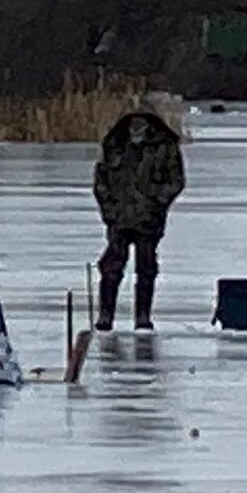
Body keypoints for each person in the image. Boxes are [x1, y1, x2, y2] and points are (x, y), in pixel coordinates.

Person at [92, 108, 186, 332]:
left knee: (146, 268)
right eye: (133, 121)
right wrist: (108, 209)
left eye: (141, 121)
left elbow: (176, 180)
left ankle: (143, 316)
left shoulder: (165, 146)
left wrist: (157, 201)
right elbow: (100, 180)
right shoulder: (115, 144)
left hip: (148, 218)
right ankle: (106, 315)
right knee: (111, 267)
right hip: (119, 218)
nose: (137, 125)